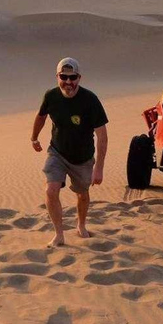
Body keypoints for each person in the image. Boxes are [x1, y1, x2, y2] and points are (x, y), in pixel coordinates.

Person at [31, 57, 108, 247]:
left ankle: (81, 224)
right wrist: (34, 138)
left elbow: (102, 136)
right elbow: (41, 116)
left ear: (79, 77)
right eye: (63, 77)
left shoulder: (90, 100)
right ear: (57, 77)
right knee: (51, 189)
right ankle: (59, 234)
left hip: (82, 158)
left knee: (82, 194)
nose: (68, 82)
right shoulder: (51, 96)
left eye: (72, 77)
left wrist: (99, 168)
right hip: (57, 152)